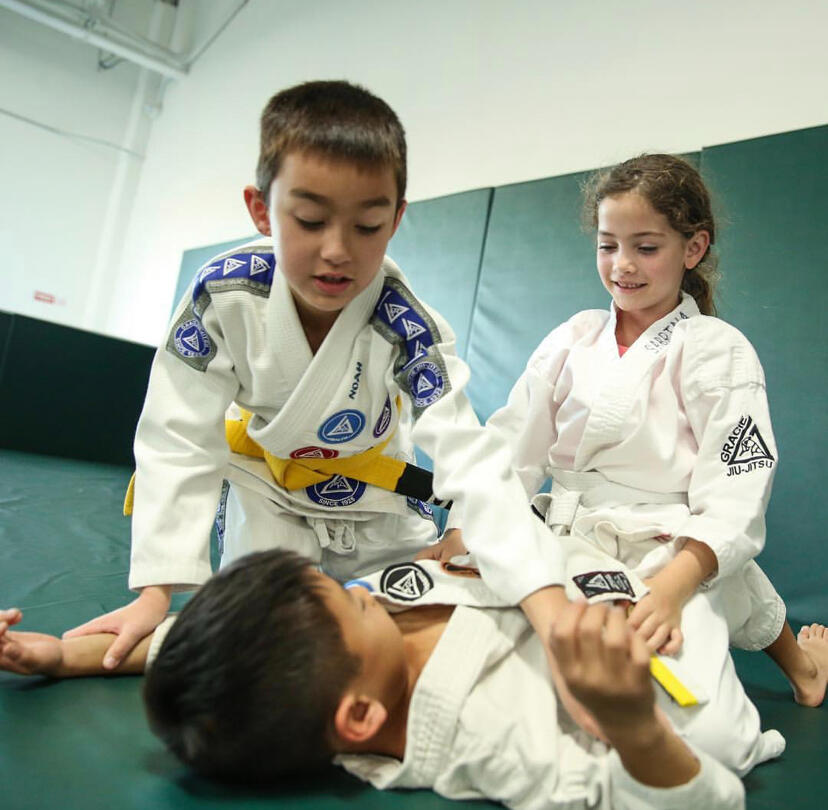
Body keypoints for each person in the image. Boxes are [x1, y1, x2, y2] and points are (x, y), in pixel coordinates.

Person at [63, 80, 568, 673]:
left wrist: (543, 597)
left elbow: (468, 450)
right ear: (261, 209)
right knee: (264, 634)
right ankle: (72, 656)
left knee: (434, 624)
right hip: (267, 495)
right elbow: (178, 436)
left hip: (374, 502)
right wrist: (155, 593)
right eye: (309, 220)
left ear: (396, 219)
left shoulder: (404, 323)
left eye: (367, 226)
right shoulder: (223, 297)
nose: (337, 250)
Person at [420, 153, 827, 708]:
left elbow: (737, 490)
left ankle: (805, 668)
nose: (622, 265)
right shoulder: (574, 338)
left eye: (646, 247)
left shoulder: (718, 349)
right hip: (561, 533)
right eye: (607, 245)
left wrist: (673, 587)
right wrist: (465, 528)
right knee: (475, 650)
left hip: (668, 551)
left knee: (672, 704)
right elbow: (513, 447)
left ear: (694, 248)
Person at [0, 549, 760, 809]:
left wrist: (61, 655)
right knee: (718, 732)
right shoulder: (493, 742)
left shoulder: (344, 652)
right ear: (360, 718)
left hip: (565, 566)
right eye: (352, 604)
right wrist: (630, 722)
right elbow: (696, 801)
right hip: (651, 654)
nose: (361, 593)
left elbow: (191, 649)